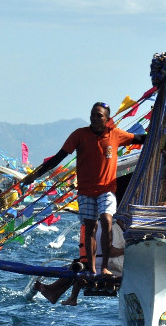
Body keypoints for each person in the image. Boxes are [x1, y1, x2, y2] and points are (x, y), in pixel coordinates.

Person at [23, 102, 146, 274]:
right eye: (93, 114)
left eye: (99, 115)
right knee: (90, 228)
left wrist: (165, 134)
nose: (94, 118)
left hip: (107, 189)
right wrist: (35, 175)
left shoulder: (115, 134)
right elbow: (58, 157)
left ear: (107, 119)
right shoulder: (79, 135)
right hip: (86, 191)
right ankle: (93, 268)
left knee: (107, 220)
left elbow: (140, 139)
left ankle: (104, 268)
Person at [35, 219, 126, 305]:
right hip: (102, 264)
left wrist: (125, 250)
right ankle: (59, 293)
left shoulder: (109, 227)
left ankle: (57, 292)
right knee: (78, 266)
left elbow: (110, 251)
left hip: (107, 267)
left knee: (78, 268)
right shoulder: (110, 226)